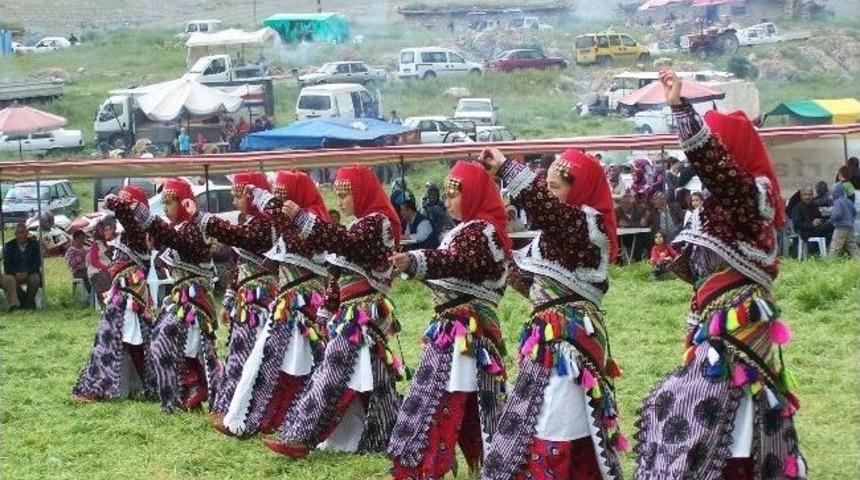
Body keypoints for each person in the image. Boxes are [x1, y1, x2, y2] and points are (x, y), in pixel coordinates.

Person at [634, 70, 807, 480]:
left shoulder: (751, 196)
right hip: (713, 328)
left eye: (716, 148)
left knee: (708, 415)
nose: (705, 162)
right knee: (688, 413)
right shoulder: (714, 205)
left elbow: (719, 173)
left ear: (729, 153)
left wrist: (681, 112)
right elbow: (709, 268)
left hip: (738, 330)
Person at [479, 149, 626, 480]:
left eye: (555, 187)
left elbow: (547, 212)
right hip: (547, 341)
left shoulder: (588, 224)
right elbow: (533, 284)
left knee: (551, 423)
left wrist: (506, 168)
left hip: (569, 344)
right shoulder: (554, 235)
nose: (548, 196)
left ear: (579, 189)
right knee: (557, 423)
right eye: (546, 187)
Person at [263, 165, 404, 459]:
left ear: (362, 193)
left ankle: (299, 438)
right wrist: (328, 309)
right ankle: (384, 435)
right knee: (372, 378)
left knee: (331, 375)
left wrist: (302, 219)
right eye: (337, 194)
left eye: (345, 194)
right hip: (349, 314)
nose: (339, 201)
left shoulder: (377, 224)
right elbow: (336, 273)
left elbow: (342, 243)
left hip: (363, 314)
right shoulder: (358, 224)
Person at [387, 161, 511, 479]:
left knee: (438, 400)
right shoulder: (468, 229)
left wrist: (415, 261)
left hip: (464, 332)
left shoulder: (483, 231)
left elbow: (457, 262)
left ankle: (421, 468)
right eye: (447, 194)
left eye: (455, 194)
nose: (448, 201)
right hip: (451, 330)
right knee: (464, 401)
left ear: (474, 195)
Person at [218, 171, 332, 438]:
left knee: (301, 361)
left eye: (284, 199)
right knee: (269, 359)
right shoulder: (280, 224)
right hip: (283, 304)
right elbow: (238, 264)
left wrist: (205, 221)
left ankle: (293, 422)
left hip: (303, 306)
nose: (280, 207)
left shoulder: (310, 223)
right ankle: (257, 417)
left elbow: (293, 242)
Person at [109, 178, 220, 412]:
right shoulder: (178, 228)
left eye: (170, 202)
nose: (167, 208)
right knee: (166, 344)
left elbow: (176, 240)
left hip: (194, 301)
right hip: (179, 299)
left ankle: (197, 389)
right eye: (164, 203)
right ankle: (186, 391)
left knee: (185, 347)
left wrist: (145, 216)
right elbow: (160, 236)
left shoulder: (193, 228)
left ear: (182, 203)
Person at [191, 171, 277, 432]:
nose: (236, 200)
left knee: (248, 355)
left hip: (260, 301)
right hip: (244, 300)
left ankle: (242, 410)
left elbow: (241, 240)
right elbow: (237, 266)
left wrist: (203, 218)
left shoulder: (265, 226)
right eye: (236, 195)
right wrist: (228, 300)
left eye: (240, 195)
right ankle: (230, 407)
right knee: (238, 353)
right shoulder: (248, 222)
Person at [72, 186, 156, 403]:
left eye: (128, 205)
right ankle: (129, 387)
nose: (124, 210)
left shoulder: (138, 232)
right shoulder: (130, 234)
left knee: (116, 340)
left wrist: (113, 200)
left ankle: (107, 388)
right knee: (121, 340)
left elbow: (125, 214)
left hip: (130, 297)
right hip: (122, 295)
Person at [2, 223, 41, 311]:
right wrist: (16, 273)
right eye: (18, 233)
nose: (21, 235)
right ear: (15, 234)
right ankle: (25, 302)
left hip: (31, 273)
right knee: (10, 281)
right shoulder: (9, 246)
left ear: (27, 233)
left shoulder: (34, 244)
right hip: (15, 274)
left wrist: (27, 272)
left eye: (23, 232)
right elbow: (7, 264)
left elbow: (38, 262)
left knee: (35, 279)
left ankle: (26, 305)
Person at [87, 217, 116, 308]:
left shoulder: (113, 243)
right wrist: (107, 268)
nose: (108, 232)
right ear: (101, 232)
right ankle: (107, 307)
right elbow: (94, 261)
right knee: (104, 281)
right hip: (97, 272)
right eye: (106, 230)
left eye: (110, 229)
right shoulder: (96, 244)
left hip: (110, 270)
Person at [615, 190, 649, 261]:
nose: (623, 205)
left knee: (638, 239)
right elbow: (615, 223)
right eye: (622, 202)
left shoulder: (641, 209)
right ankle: (619, 263)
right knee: (616, 239)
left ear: (632, 204)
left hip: (639, 237)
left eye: (626, 203)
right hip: (624, 238)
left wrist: (628, 224)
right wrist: (618, 224)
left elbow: (643, 224)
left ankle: (637, 262)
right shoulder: (617, 211)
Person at [828, 182, 859, 258]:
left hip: (840, 226)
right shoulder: (848, 201)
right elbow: (854, 211)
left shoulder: (837, 202)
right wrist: (850, 219)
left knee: (835, 245)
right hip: (850, 226)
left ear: (835, 192)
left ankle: (831, 261)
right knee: (852, 245)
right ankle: (858, 259)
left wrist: (831, 220)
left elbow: (837, 214)